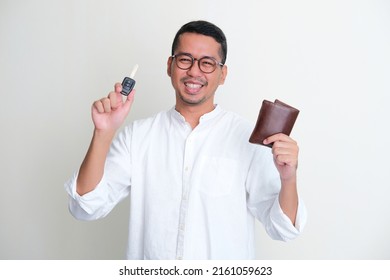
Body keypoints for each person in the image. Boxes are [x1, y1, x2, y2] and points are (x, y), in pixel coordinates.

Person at [65, 20, 307, 260]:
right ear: (170, 65)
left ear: (223, 74)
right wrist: (103, 132)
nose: (194, 71)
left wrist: (288, 178)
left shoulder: (247, 138)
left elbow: (283, 229)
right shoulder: (138, 136)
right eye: (185, 60)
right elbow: (85, 207)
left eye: (207, 63)